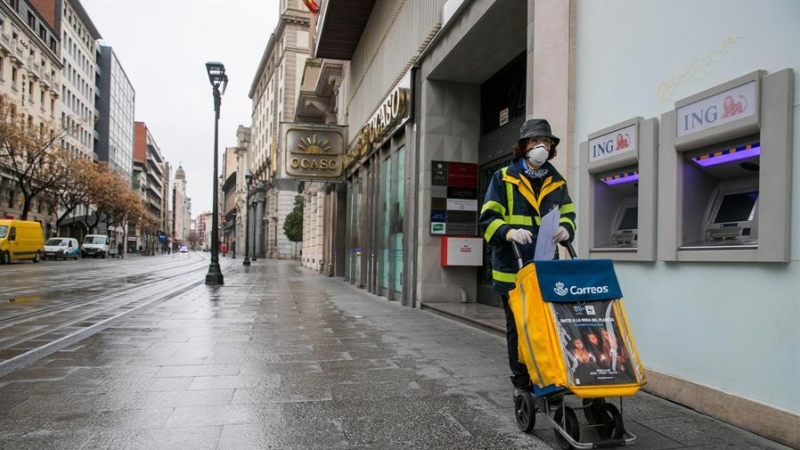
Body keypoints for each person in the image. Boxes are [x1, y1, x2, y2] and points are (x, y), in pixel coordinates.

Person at [479, 118, 576, 398]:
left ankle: (546, 374)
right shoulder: (503, 178)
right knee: (518, 328)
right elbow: (488, 218)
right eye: (534, 141)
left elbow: (569, 213)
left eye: (545, 141)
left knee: (548, 325)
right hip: (513, 269)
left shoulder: (557, 181)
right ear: (523, 147)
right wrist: (508, 232)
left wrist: (566, 229)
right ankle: (521, 381)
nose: (540, 146)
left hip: (546, 268)